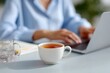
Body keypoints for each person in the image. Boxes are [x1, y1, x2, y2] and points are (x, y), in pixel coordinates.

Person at [0, 0, 94, 44]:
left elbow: (70, 20)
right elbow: (3, 33)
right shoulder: (15, 1)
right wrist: (43, 33)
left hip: (60, 51)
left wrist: (82, 27)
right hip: (29, 58)